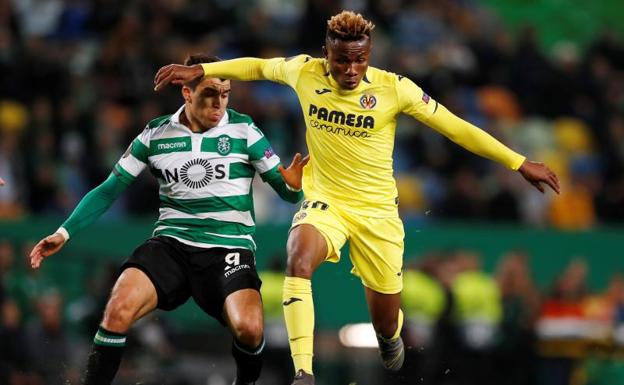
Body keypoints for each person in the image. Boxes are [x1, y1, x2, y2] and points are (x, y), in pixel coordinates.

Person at [153, 11, 560, 385]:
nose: (351, 69)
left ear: (369, 55)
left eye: (360, 60)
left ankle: (389, 337)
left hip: (378, 214)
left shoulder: (394, 89)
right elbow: (256, 66)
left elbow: (455, 127)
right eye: (342, 60)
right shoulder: (303, 72)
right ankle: (304, 372)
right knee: (298, 255)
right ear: (325, 53)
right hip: (326, 201)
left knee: (386, 323)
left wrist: (517, 161)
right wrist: (203, 68)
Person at [30, 54, 308, 385]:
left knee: (249, 329)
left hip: (227, 248)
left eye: (225, 93)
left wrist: (293, 186)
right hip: (171, 246)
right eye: (209, 93)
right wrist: (64, 233)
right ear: (187, 93)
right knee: (117, 310)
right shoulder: (156, 134)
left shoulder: (245, 130)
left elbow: (287, 192)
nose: (219, 103)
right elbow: (108, 190)